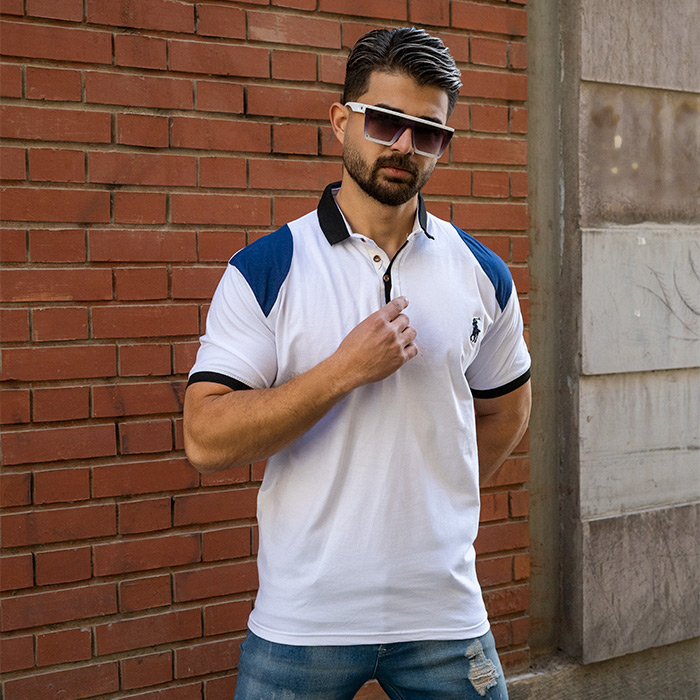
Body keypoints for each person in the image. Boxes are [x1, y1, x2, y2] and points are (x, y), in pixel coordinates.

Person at [183, 27, 531, 700]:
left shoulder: (481, 273)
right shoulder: (267, 268)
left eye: (427, 132)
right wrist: (343, 370)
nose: (403, 145)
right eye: (384, 122)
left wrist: (433, 500)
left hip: (444, 615)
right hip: (303, 620)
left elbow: (508, 410)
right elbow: (205, 438)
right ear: (342, 120)